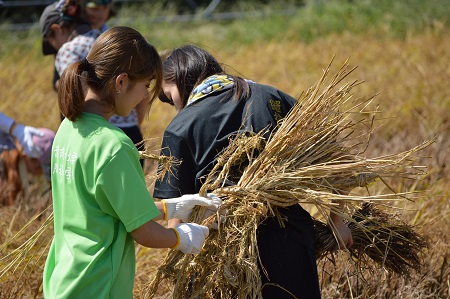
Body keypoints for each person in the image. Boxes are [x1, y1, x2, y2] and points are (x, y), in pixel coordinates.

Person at [153, 45, 353, 298]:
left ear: (179, 78)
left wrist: (181, 264)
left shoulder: (180, 126)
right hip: (289, 238)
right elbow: (339, 162)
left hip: (222, 252)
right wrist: (338, 222)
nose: (175, 107)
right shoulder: (273, 97)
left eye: (169, 97)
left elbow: (174, 209)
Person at [43, 27, 221, 298]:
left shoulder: (68, 129)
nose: (143, 99)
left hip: (65, 279)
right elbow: (143, 232)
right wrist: (183, 237)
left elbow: (109, 208)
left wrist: (170, 207)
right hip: (99, 285)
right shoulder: (113, 145)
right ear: (122, 82)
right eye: (145, 86)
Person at [41, 0, 147, 167]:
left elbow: (73, 96)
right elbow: (143, 94)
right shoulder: (118, 42)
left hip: (93, 136)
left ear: (57, 30)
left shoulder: (69, 50)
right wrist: (133, 122)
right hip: (131, 133)